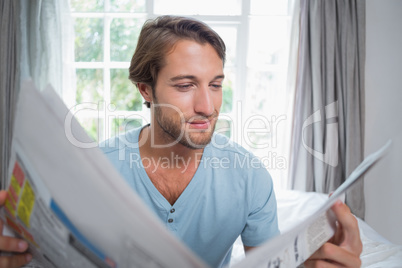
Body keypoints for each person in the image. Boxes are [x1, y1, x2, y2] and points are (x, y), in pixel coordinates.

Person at [0, 15, 362, 268]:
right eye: (185, 85)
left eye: (216, 84)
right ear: (146, 89)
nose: (207, 106)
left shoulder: (248, 175)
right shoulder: (94, 169)